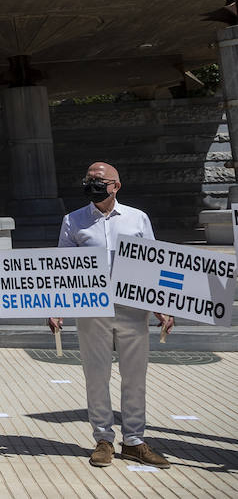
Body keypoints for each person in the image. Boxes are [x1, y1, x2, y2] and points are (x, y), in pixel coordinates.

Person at [50, 162, 172, 470]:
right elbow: (63, 268)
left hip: (132, 308)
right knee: (96, 375)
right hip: (91, 307)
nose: (92, 183)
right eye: (89, 179)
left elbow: (153, 264)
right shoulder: (73, 220)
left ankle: (133, 440)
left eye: (99, 179)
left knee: (135, 376)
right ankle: (103, 439)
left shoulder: (137, 219)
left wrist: (163, 305)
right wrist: (56, 307)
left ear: (115, 185)